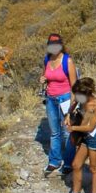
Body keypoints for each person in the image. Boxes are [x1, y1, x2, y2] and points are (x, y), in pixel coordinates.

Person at [61, 77, 96, 193]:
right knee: (76, 164)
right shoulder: (81, 99)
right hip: (84, 138)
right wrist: (68, 114)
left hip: (94, 138)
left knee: (93, 168)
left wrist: (73, 129)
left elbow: (90, 127)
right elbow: (73, 103)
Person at [39, 33, 78, 175]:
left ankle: (68, 163)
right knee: (54, 132)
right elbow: (45, 76)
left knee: (67, 132)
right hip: (51, 99)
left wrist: (72, 107)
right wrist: (42, 80)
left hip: (65, 99)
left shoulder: (67, 61)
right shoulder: (47, 60)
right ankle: (54, 161)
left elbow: (74, 85)